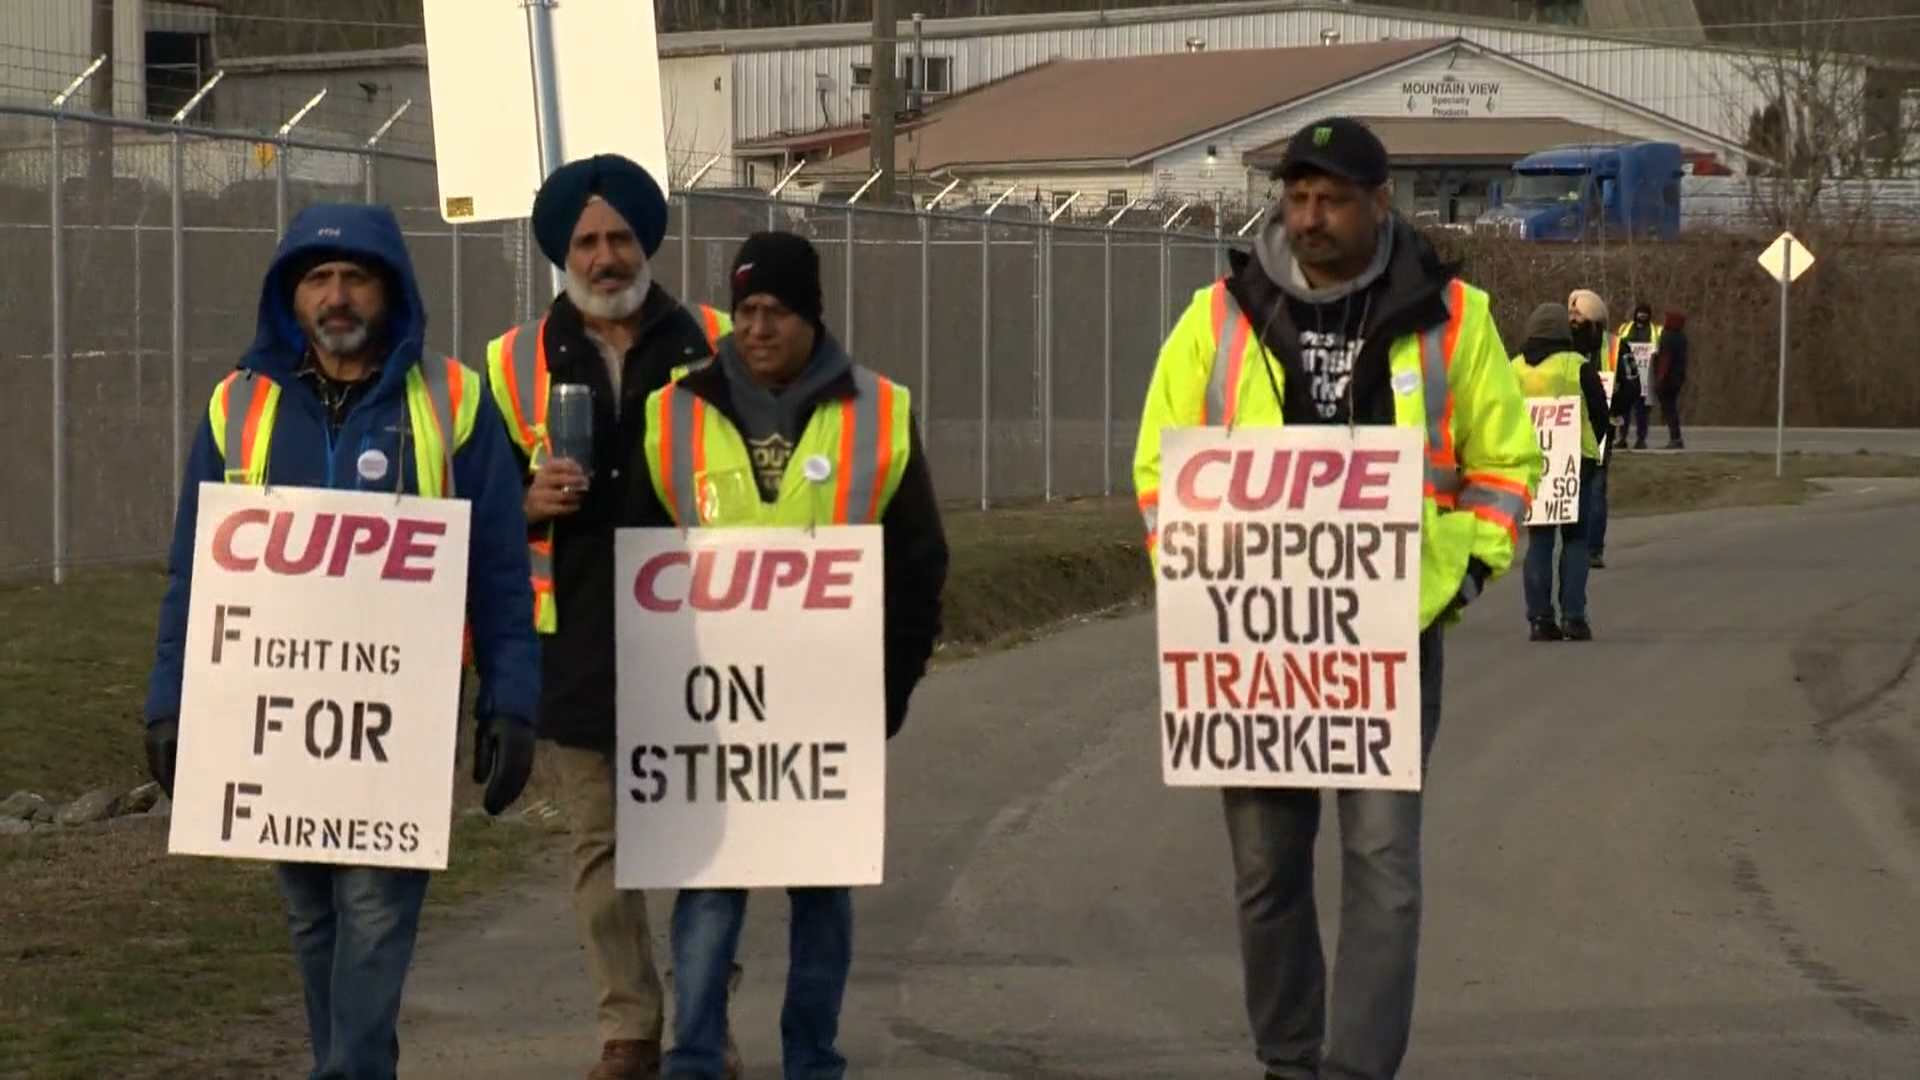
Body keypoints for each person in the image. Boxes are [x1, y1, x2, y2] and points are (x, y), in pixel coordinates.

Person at [1130, 117, 1540, 1080]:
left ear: (1380, 203)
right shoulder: (1219, 315)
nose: (1310, 217)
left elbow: (1506, 468)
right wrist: (1195, 578)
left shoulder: (1452, 316)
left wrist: (1464, 573)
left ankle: (1357, 1067)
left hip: (1392, 639)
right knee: (1265, 871)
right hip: (1255, 647)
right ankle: (1288, 1058)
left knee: (1383, 868)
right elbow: (1158, 467)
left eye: (1332, 200)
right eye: (1298, 197)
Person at [141, 202, 542, 1080]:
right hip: (274, 718)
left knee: (372, 912)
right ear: (289, 295)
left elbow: (500, 570)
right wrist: (170, 703)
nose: (336, 296)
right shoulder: (238, 405)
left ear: (389, 289)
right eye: (317, 279)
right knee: (313, 915)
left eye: (355, 277)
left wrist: (510, 700)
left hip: (400, 714)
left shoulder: (454, 399)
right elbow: (192, 569)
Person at [628, 231, 951, 1080]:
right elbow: (639, 559)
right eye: (745, 311)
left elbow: (919, 566)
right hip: (709, 704)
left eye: (775, 311)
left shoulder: (880, 412)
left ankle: (812, 1056)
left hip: (826, 706)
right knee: (709, 886)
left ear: (812, 316)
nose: (757, 328)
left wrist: (887, 691)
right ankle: (695, 1054)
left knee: (822, 890)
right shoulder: (672, 414)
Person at [480, 153, 740, 1080]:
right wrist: (523, 500)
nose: (603, 256)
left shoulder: (716, 342)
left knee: (708, 842)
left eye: (619, 237)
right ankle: (629, 1027)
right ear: (563, 252)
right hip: (579, 632)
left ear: (646, 243)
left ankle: (704, 1028)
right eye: (586, 241)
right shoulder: (510, 363)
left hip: (703, 630)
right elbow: (473, 495)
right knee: (601, 842)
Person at [1512, 302, 1610, 642]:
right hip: (1574, 465)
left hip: (1532, 465)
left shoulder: (1513, 368)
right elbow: (1600, 414)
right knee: (1576, 539)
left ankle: (1540, 619)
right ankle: (1573, 618)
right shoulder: (1576, 365)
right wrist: (1592, 448)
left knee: (1539, 540)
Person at [1567, 289, 1614, 568]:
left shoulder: (1615, 347)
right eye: (1571, 313)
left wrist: (1616, 406)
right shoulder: (1562, 345)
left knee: (1595, 487)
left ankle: (1592, 548)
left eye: (1578, 314)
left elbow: (1632, 384)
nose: (1573, 319)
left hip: (1600, 427)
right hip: (1564, 428)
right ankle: (1572, 542)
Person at [1613, 301, 1661, 450]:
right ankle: (1622, 437)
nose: (1642, 316)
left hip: (1647, 377)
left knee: (1642, 412)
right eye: (1640, 313)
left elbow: (1658, 351)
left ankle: (1641, 439)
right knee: (1624, 409)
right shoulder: (1625, 328)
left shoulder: (1655, 331)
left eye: (1645, 314)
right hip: (1628, 375)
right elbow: (1618, 345)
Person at [1653, 310, 1689, 449]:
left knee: (1669, 408)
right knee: (1671, 407)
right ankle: (1676, 437)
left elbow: (1665, 359)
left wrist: (1659, 378)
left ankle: (1675, 438)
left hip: (1668, 378)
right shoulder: (1682, 337)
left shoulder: (1668, 336)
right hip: (1678, 377)